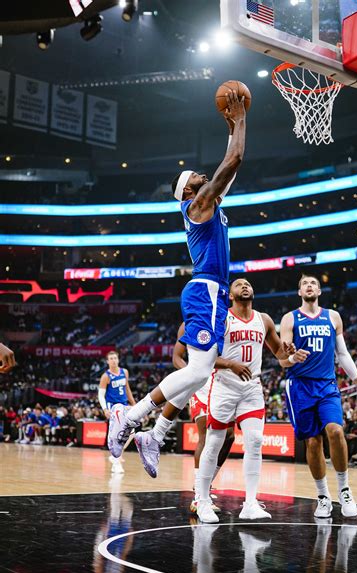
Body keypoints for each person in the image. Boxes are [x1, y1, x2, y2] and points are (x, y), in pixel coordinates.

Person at [108, 91, 247, 479]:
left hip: (214, 294)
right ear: (190, 190)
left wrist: (233, 128)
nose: (204, 174)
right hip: (205, 291)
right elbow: (233, 161)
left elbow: (229, 170)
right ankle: (129, 419)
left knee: (200, 372)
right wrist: (240, 120)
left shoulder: (207, 203)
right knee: (199, 371)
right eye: (198, 177)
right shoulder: (196, 206)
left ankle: (155, 434)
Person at [196, 278, 301, 523]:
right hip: (224, 385)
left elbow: (279, 353)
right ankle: (201, 501)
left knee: (254, 441)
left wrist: (290, 351)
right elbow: (205, 358)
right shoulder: (222, 317)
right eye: (238, 284)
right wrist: (231, 364)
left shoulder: (263, 319)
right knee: (214, 444)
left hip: (251, 387)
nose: (244, 286)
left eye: (248, 283)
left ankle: (250, 503)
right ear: (230, 295)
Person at [279, 275, 357, 519]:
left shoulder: (333, 316)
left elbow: (342, 353)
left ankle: (344, 489)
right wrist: (290, 357)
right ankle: (322, 496)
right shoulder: (289, 318)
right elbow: (282, 358)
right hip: (299, 386)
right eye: (304, 284)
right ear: (299, 292)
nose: (309, 286)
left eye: (313, 283)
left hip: (327, 385)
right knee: (312, 442)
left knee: (336, 431)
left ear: (319, 290)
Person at [173, 323, 236, 513]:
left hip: (222, 381)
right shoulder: (188, 324)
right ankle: (198, 494)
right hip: (201, 385)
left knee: (230, 436)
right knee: (206, 436)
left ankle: (205, 485)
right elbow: (177, 357)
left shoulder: (225, 318)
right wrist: (192, 374)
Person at [99, 351, 136, 473]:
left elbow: (127, 389)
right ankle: (116, 462)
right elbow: (101, 395)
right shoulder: (106, 376)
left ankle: (115, 456)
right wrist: (105, 409)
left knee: (131, 433)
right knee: (117, 435)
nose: (114, 360)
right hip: (113, 407)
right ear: (107, 361)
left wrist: (134, 404)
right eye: (111, 358)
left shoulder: (124, 372)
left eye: (115, 358)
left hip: (124, 406)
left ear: (118, 359)